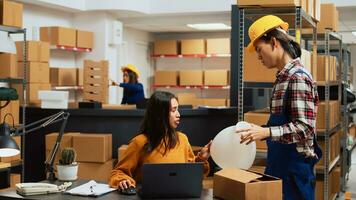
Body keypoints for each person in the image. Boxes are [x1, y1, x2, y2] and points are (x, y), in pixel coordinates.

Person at [235, 15, 322, 200]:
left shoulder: (298, 77)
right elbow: (283, 123)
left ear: (274, 42)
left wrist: (266, 133)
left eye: (259, 49)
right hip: (278, 166)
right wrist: (256, 130)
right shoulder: (282, 79)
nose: (258, 56)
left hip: (294, 173)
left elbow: (304, 128)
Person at [109, 91, 211, 191]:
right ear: (160, 114)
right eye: (173, 110)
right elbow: (118, 172)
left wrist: (201, 158)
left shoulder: (182, 139)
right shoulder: (139, 142)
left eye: (178, 109)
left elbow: (191, 174)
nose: (178, 114)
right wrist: (122, 180)